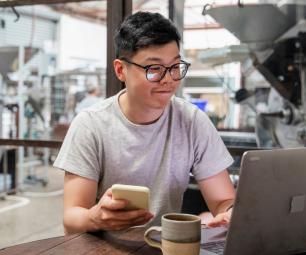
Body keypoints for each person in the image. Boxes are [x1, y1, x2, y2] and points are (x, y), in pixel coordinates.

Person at [54, 11, 235, 234]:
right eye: (154, 69)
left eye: (175, 66)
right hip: (104, 247)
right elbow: (72, 217)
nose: (168, 79)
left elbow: (223, 201)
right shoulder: (91, 125)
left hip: (165, 246)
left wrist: (230, 212)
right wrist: (95, 218)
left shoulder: (192, 121)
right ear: (121, 70)